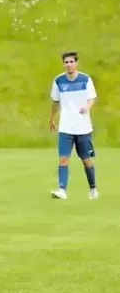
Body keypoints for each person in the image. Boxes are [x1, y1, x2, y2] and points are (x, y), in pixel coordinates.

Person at [49, 51, 98, 200]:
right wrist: (51, 118)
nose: (69, 64)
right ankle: (62, 190)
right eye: (66, 62)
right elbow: (55, 101)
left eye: (71, 62)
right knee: (63, 158)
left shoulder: (85, 79)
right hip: (66, 127)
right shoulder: (58, 81)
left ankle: (93, 188)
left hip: (83, 128)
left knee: (86, 160)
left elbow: (92, 98)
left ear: (76, 63)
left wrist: (87, 107)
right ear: (63, 64)